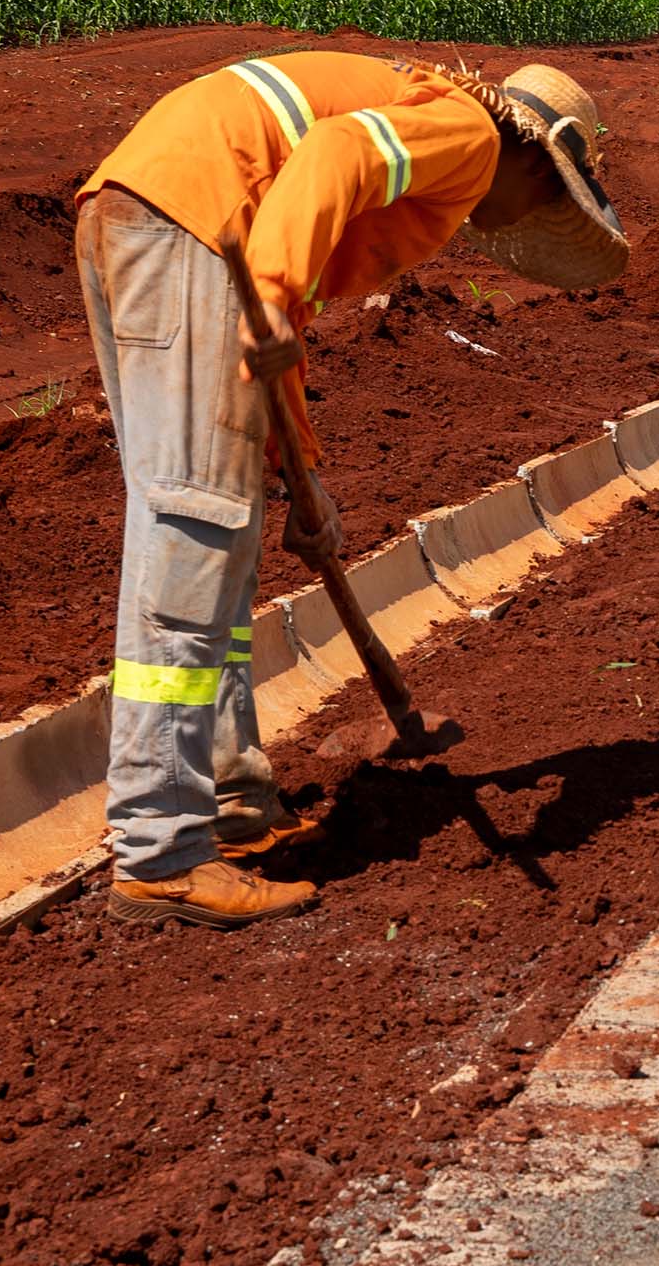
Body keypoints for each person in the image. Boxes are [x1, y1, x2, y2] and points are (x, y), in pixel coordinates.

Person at [76, 52, 628, 927]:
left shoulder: (419, 127)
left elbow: (272, 329)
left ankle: (228, 797)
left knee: (213, 527)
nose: (529, 219)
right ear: (536, 155)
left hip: (147, 209)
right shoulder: (471, 134)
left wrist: (301, 472)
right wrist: (271, 288)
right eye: (553, 195)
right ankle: (160, 851)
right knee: (193, 539)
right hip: (192, 229)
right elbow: (331, 163)